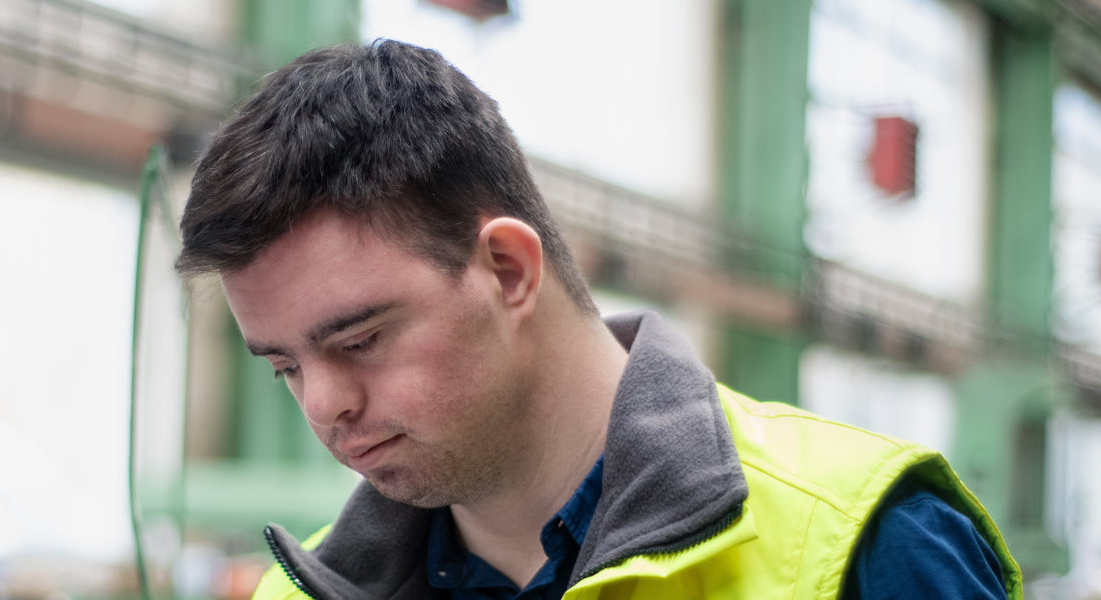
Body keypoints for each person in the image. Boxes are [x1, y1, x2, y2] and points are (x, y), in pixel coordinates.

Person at [176, 39, 1020, 600]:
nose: (324, 406)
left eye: (358, 340)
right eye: (284, 366)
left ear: (507, 268)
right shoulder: (301, 593)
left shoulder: (862, 542)